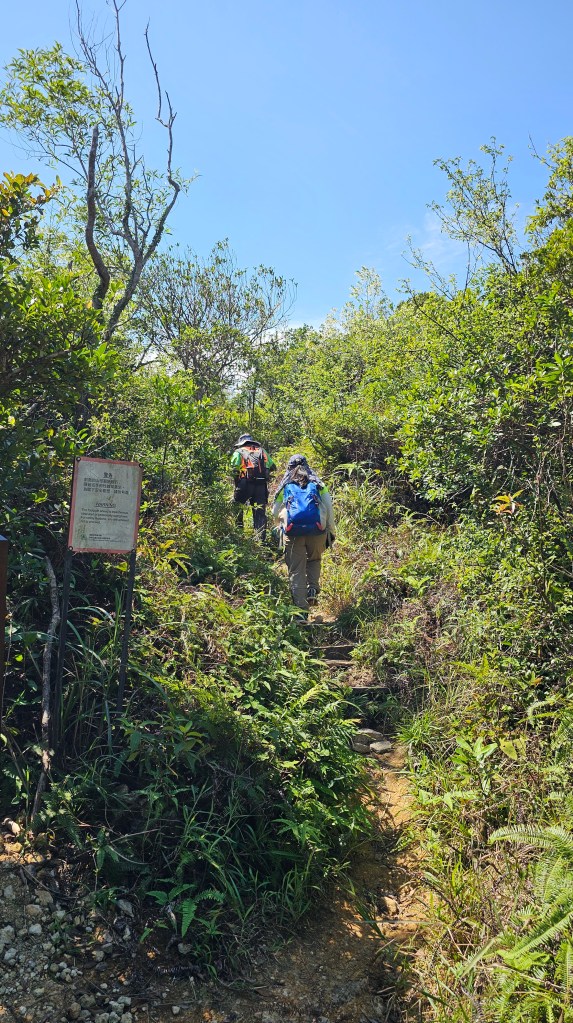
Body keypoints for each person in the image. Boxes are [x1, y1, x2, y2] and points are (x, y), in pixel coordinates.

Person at [272, 454, 335, 617]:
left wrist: (280, 525)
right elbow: (329, 509)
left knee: (296, 570)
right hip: (317, 531)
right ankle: (312, 588)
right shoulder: (318, 484)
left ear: (289, 468)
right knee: (314, 559)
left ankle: (301, 613)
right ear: (307, 466)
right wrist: (331, 531)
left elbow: (274, 512)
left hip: (293, 533)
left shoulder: (286, 485)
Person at [230, 433, 276, 540]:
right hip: (261, 485)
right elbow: (273, 466)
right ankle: (260, 540)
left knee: (237, 508)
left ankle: (239, 536)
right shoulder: (262, 451)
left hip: (244, 484)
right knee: (260, 512)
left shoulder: (238, 452)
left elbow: (233, 469)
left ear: (241, 443)